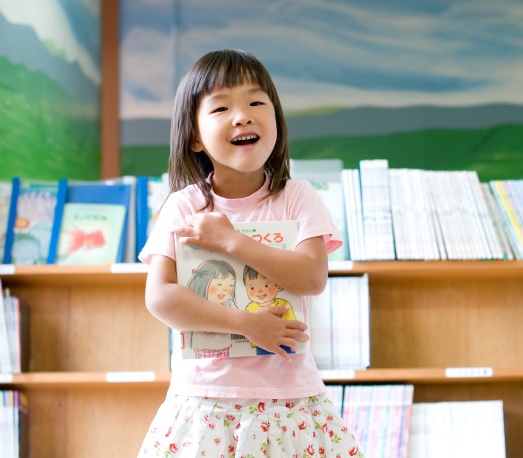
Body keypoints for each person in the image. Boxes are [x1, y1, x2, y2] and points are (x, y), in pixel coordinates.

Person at [136, 49, 363, 458]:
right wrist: (246, 324)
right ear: (193, 136)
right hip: (206, 402)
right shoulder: (184, 205)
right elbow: (160, 297)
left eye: (257, 102)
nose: (242, 115)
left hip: (288, 401)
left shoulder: (298, 197)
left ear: (275, 119)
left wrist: (231, 241)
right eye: (221, 107)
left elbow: (312, 277)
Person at [185, 259, 237, 358]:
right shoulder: (196, 304)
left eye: (230, 285)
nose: (226, 289)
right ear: (203, 283)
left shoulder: (229, 304)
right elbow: (205, 328)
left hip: (225, 346)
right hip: (204, 347)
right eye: (219, 285)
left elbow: (238, 320)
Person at [242, 264, 297, 355]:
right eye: (252, 287)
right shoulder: (249, 308)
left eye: (266, 285)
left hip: (284, 344)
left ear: (278, 285)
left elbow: (292, 326)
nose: (259, 291)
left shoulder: (284, 304)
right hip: (259, 345)